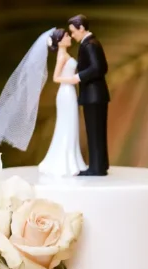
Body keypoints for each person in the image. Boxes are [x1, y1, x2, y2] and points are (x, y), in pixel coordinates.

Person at [56, 14, 110, 176]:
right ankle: (100, 164)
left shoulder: (90, 45)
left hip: (93, 95)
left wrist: (77, 77)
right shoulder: (90, 43)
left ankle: (97, 167)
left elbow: (98, 68)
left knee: (95, 131)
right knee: (97, 131)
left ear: (81, 28)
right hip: (94, 95)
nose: (72, 35)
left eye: (73, 31)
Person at [38, 28, 88, 177]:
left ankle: (73, 159)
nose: (69, 37)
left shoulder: (65, 55)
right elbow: (56, 78)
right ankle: (64, 162)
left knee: (70, 125)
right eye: (66, 36)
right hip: (66, 92)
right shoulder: (62, 57)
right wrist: (73, 79)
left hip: (70, 92)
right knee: (66, 124)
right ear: (59, 41)